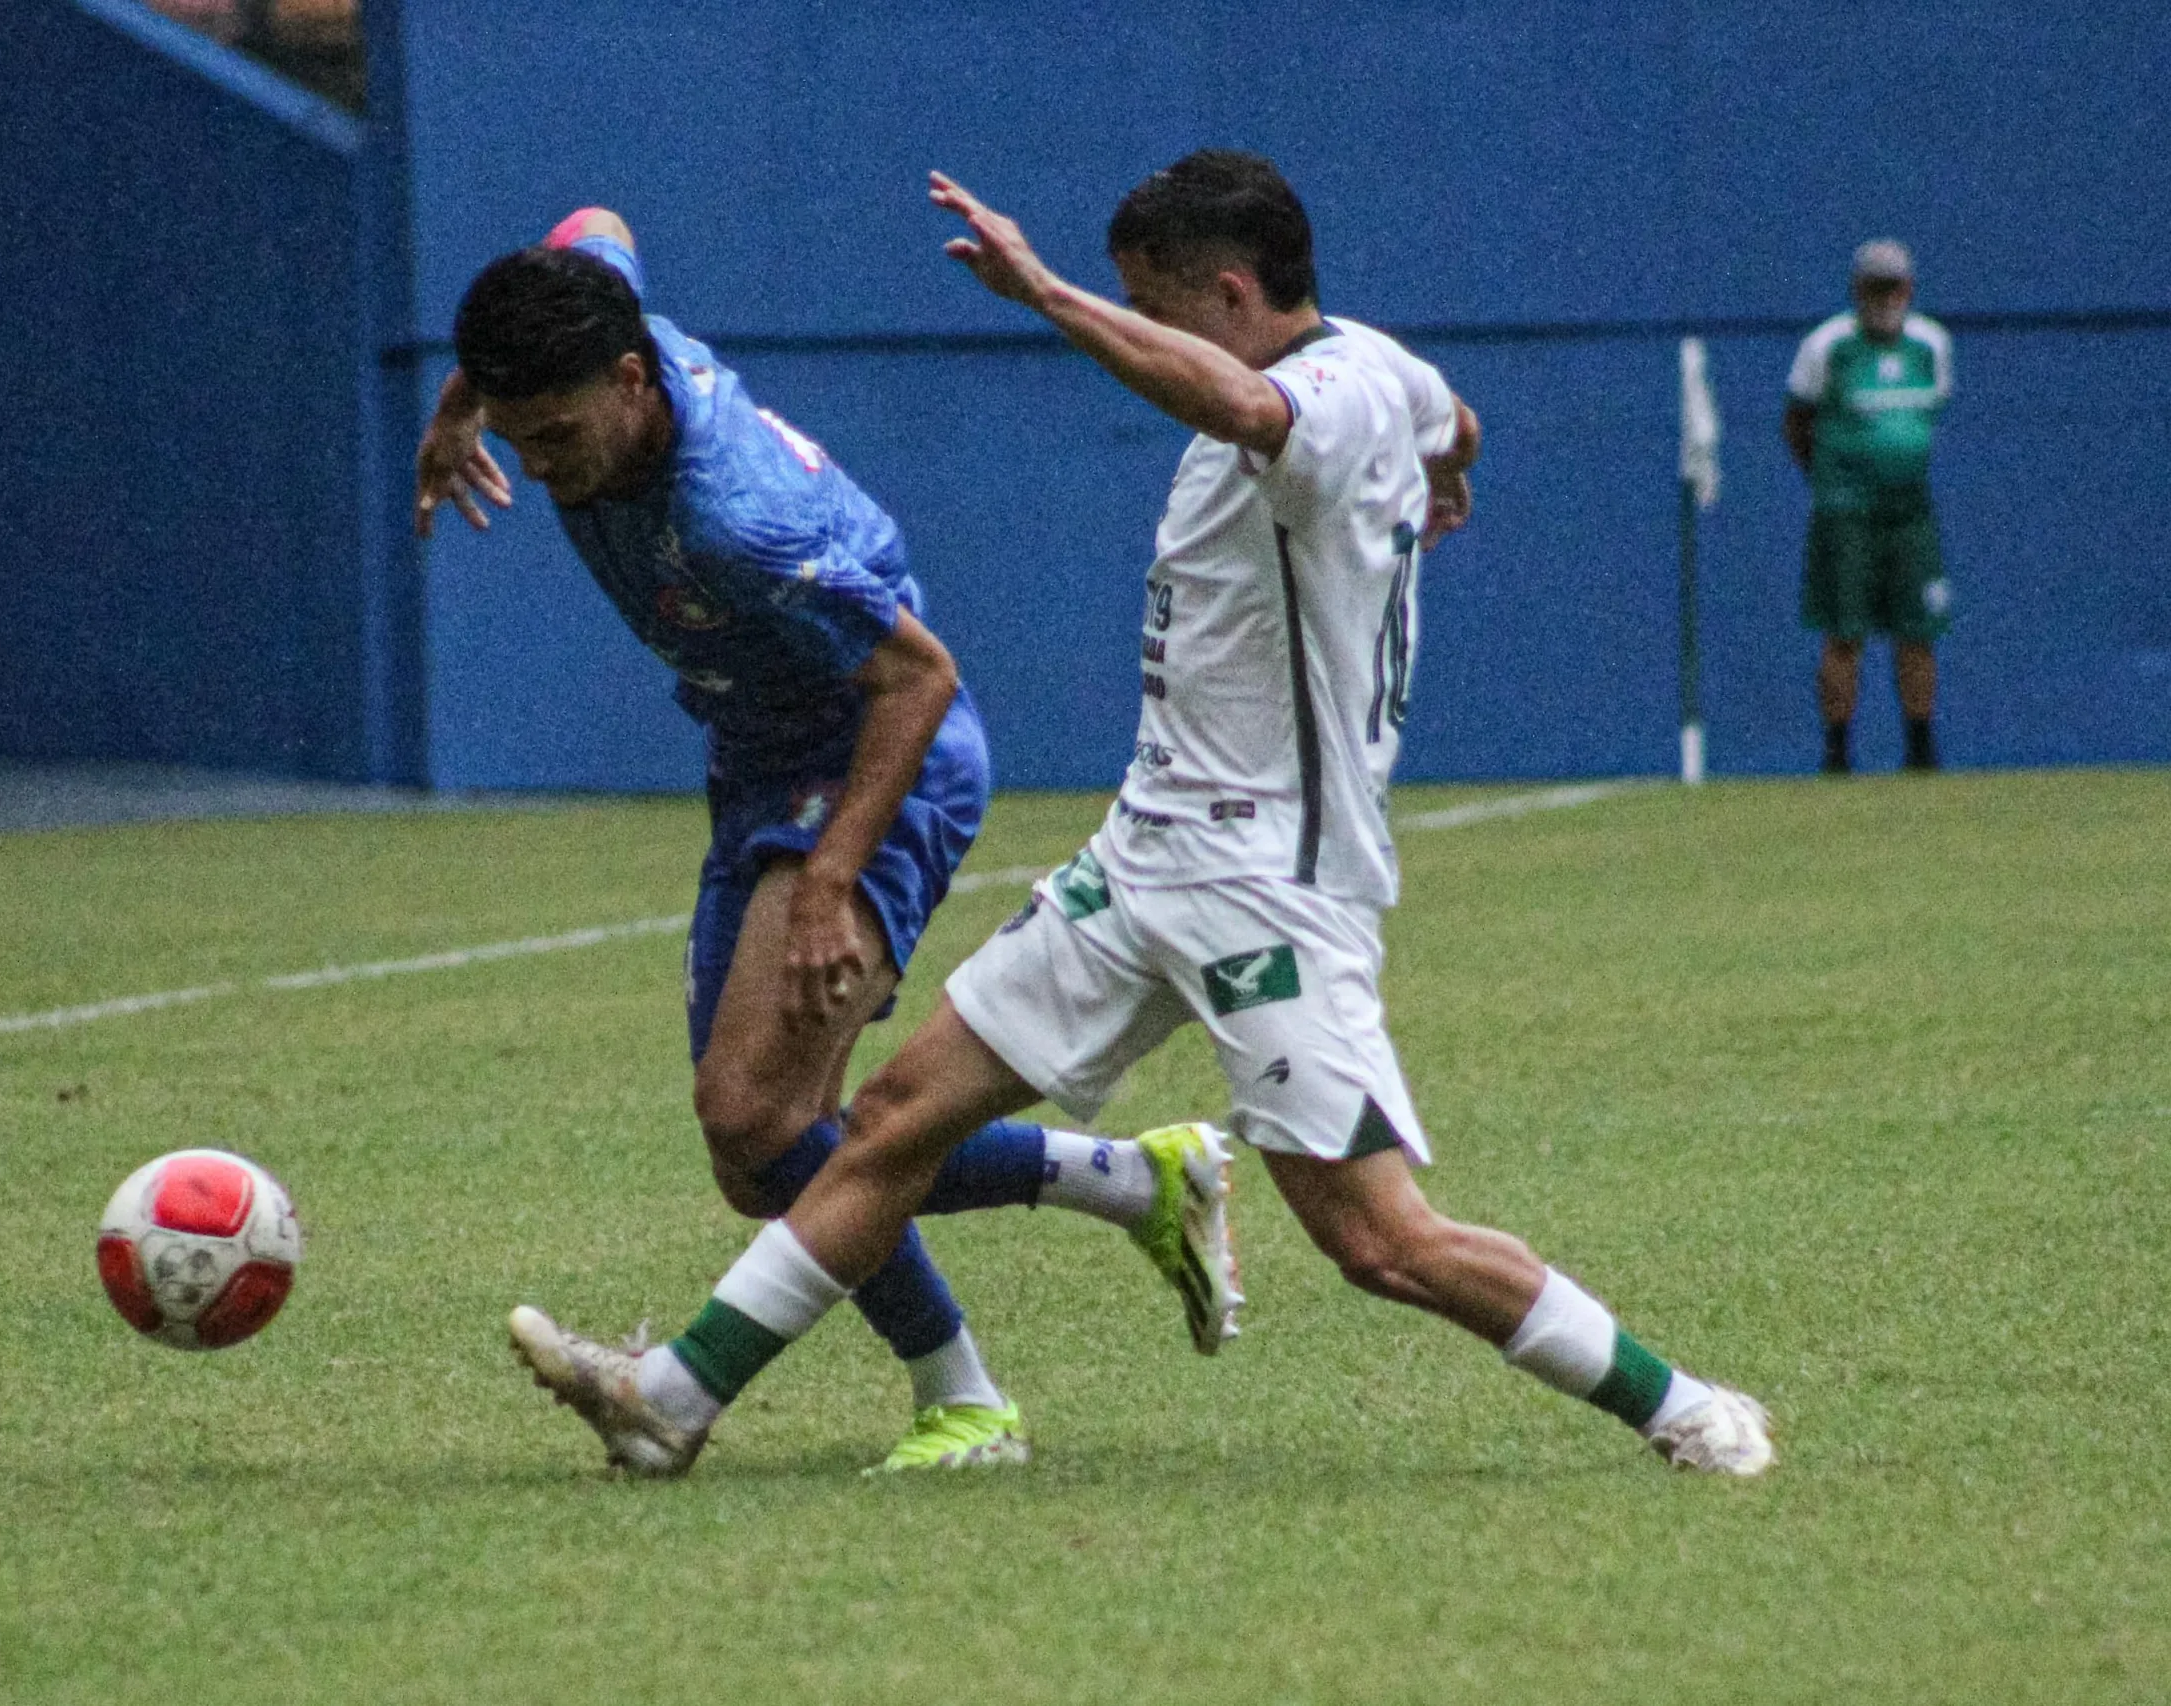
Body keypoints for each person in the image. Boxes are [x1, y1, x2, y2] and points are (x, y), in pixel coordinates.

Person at [506, 153, 1775, 1480]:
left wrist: (1046, 293)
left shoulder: (1327, 399)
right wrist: (1452, 470)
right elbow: (1454, 415)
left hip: (1266, 885)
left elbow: (1247, 399)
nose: (1137, 328)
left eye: (1151, 305)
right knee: (889, 1118)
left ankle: (1681, 1402)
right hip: (1146, 855)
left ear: (1230, 295)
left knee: (1377, 1240)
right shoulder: (1389, 374)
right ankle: (676, 1398)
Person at [415, 209, 1239, 1473]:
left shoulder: (734, 519)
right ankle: (1126, 1182)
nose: (542, 468)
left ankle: (960, 1397)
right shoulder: (595, 318)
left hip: (872, 759)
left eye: (560, 435)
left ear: (633, 380)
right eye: (520, 441)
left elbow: (916, 681)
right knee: (761, 1156)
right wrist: (458, 406)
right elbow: (595, 230)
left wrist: (831, 882)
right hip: (755, 755)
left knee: (752, 1108)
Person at [1785, 239, 1953, 773]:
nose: (1885, 298)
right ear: (1857, 290)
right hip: (1846, 512)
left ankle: (1920, 749)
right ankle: (1837, 753)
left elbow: (1928, 415)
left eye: (1894, 287)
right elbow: (1797, 423)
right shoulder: (1828, 346)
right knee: (1845, 631)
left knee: (1919, 630)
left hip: (1910, 511)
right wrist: (1834, 479)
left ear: (1909, 290)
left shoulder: (1930, 345)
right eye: (1874, 287)